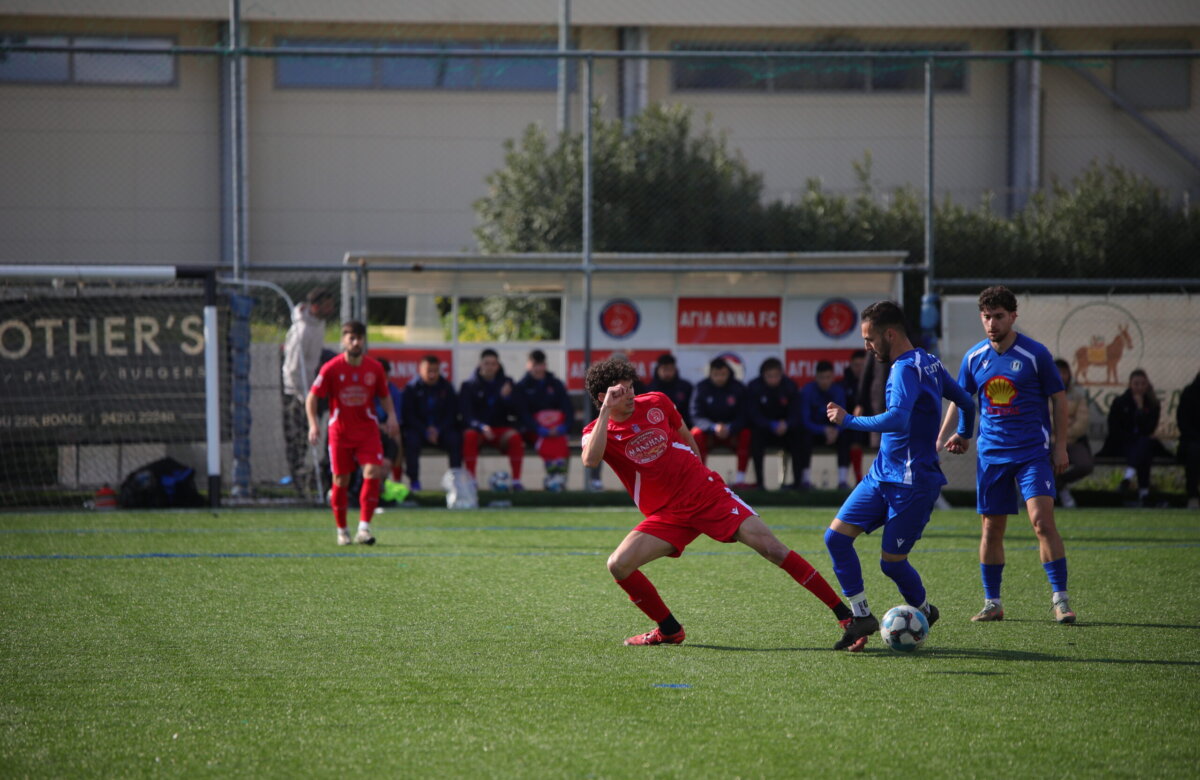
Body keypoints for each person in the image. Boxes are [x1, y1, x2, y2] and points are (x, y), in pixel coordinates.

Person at [580, 357, 856, 647]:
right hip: (668, 514)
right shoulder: (596, 431)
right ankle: (669, 630)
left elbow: (687, 438)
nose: (631, 397)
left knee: (772, 549)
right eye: (621, 392)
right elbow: (590, 460)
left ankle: (846, 618)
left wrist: (698, 478)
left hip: (707, 495)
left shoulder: (657, 402)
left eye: (631, 388)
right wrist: (606, 413)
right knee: (618, 565)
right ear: (603, 397)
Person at [824, 301, 976, 650]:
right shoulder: (930, 362)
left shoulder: (904, 369)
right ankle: (861, 616)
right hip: (881, 475)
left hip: (912, 483)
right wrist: (964, 433)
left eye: (870, 339)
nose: (868, 346)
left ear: (889, 334)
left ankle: (923, 610)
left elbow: (897, 419)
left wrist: (848, 421)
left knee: (891, 564)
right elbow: (966, 402)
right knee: (835, 539)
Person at [938, 285, 1076, 624]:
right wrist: (942, 439)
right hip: (991, 456)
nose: (992, 323)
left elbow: (1058, 398)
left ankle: (1060, 600)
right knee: (991, 529)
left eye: (999, 316)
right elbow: (960, 400)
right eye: (986, 317)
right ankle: (993, 603)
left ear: (1013, 317)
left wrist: (1060, 445)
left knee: (1042, 522)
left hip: (1031, 453)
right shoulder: (974, 358)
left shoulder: (1035, 354)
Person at [306, 321, 398, 546]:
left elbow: (384, 395)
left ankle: (364, 528)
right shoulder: (331, 367)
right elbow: (312, 397)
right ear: (343, 341)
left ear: (364, 340)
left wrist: (392, 416)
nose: (356, 342)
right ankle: (342, 530)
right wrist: (313, 424)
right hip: (340, 432)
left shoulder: (374, 368)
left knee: (373, 472)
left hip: (367, 430)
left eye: (359, 338)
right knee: (341, 479)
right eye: (351, 338)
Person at [281, 287, 335, 496]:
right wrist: (303, 396)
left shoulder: (318, 324)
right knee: (299, 437)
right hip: (298, 394)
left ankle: (316, 476)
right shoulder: (302, 330)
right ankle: (298, 481)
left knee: (319, 431)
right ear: (315, 307)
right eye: (327, 305)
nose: (331, 309)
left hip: (313, 390)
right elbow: (293, 368)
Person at [1098, 368, 1169, 506]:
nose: (1140, 387)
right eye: (1136, 384)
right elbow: (1114, 429)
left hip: (1141, 444)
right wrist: (1132, 438)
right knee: (1143, 448)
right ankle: (1144, 493)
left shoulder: (1153, 404)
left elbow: (1148, 429)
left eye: (1143, 384)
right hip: (1122, 444)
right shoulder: (1120, 402)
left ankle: (1128, 479)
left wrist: (1141, 408)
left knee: (1144, 445)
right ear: (1130, 384)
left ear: (1147, 385)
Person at [460, 349, 525, 489]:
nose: (490, 367)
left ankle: (516, 481)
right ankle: (471, 480)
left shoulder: (507, 383)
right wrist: (481, 427)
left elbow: (517, 411)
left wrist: (506, 398)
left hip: (499, 429)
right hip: (479, 431)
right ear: (480, 364)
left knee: (515, 437)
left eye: (493, 364)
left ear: (498, 365)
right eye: (486, 363)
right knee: (469, 435)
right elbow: (467, 415)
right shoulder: (468, 385)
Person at [400, 355, 463, 491]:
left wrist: (438, 430)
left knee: (454, 438)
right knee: (411, 440)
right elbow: (409, 416)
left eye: (435, 371)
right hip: (420, 430)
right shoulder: (411, 389)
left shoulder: (446, 387)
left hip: (441, 431)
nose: (432, 374)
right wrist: (425, 430)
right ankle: (414, 481)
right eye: (429, 370)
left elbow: (451, 414)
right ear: (420, 370)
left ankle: (456, 480)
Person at [515, 349, 574, 490]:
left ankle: (559, 480)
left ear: (545, 365)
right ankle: (553, 478)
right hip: (534, 431)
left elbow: (568, 409)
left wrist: (563, 427)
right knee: (548, 441)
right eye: (534, 364)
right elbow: (523, 414)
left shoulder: (555, 384)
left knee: (560, 440)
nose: (538, 368)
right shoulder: (522, 386)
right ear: (528, 365)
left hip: (556, 429)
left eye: (540, 364)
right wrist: (539, 428)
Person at [745, 357, 806, 490]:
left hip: (786, 431)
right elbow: (753, 415)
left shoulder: (790, 386)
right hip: (764, 430)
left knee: (800, 434)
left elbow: (796, 413)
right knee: (755, 436)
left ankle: (798, 483)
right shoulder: (754, 387)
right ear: (763, 375)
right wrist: (770, 424)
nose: (773, 379)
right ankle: (760, 483)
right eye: (769, 376)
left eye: (776, 376)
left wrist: (787, 424)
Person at [690, 357, 752, 487]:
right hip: (710, 434)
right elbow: (696, 415)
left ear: (728, 373)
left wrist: (730, 427)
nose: (720, 378)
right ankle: (700, 478)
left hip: (732, 433)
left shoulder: (738, 388)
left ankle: (740, 479)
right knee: (695, 433)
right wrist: (713, 427)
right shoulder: (701, 388)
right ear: (710, 374)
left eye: (723, 374)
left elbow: (745, 415)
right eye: (716, 374)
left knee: (747, 433)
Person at [798, 360, 853, 490]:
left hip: (834, 433)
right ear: (816, 377)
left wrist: (835, 431)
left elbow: (843, 417)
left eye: (828, 377)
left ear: (833, 377)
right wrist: (823, 430)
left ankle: (842, 480)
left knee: (846, 436)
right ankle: (805, 480)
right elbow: (805, 420)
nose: (825, 381)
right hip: (815, 432)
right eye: (821, 378)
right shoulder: (807, 390)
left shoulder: (838, 391)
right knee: (803, 436)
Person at [1053, 357, 1093, 509]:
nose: (1061, 376)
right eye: (1057, 373)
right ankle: (1052, 496)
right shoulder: (1043, 393)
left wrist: (1064, 432)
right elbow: (1044, 419)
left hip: (1073, 441)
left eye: (1064, 373)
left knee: (1086, 465)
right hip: (1050, 441)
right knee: (1042, 464)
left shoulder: (1078, 395)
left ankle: (1060, 484)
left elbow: (1082, 421)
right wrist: (1060, 429)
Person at [842, 348, 881, 484]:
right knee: (852, 437)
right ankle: (858, 478)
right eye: (856, 365)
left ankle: (881, 478)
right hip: (853, 426)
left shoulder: (876, 384)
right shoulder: (845, 383)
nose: (859, 369)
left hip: (873, 423)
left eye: (862, 365)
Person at [648, 353, 694, 429]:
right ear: (658, 370)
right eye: (664, 369)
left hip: (682, 427)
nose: (667, 372)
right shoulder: (650, 390)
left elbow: (691, 413)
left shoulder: (686, 387)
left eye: (670, 369)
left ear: (675, 369)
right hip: (658, 429)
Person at [1179, 368, 1200, 510]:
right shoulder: (1190, 393)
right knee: (1194, 451)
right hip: (1193, 440)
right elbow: (1183, 422)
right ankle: (1193, 496)